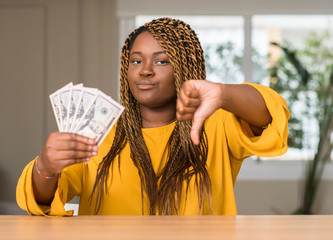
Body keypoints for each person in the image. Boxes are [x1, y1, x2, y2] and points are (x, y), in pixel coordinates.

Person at [16, 17, 289, 216]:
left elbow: (270, 116)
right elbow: (41, 200)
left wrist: (224, 94)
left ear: (184, 68)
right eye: (136, 61)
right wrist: (45, 168)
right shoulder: (98, 130)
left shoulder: (214, 124)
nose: (145, 71)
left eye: (161, 61)